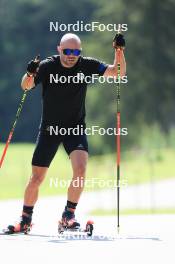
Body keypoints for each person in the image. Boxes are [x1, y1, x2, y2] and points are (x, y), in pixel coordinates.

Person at [6, 32, 126, 233]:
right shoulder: (47, 66)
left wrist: (119, 51)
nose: (72, 55)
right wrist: (29, 73)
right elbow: (26, 87)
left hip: (74, 128)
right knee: (36, 178)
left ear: (80, 52)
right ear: (59, 49)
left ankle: (68, 216)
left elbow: (118, 73)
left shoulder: (86, 65)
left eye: (76, 52)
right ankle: (25, 219)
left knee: (80, 168)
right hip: (49, 129)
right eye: (68, 51)